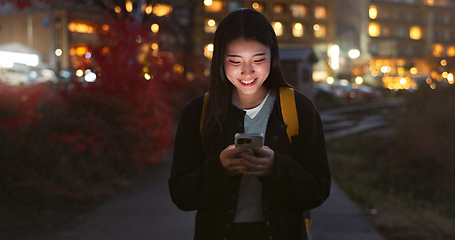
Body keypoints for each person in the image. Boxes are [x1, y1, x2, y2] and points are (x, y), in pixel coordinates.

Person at [169, 8, 330, 240]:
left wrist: (276, 168)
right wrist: (220, 169)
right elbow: (181, 195)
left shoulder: (298, 109)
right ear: (220, 61)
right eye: (235, 60)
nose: (247, 71)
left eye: (259, 59)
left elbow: (319, 189)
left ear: (273, 57)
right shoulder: (198, 113)